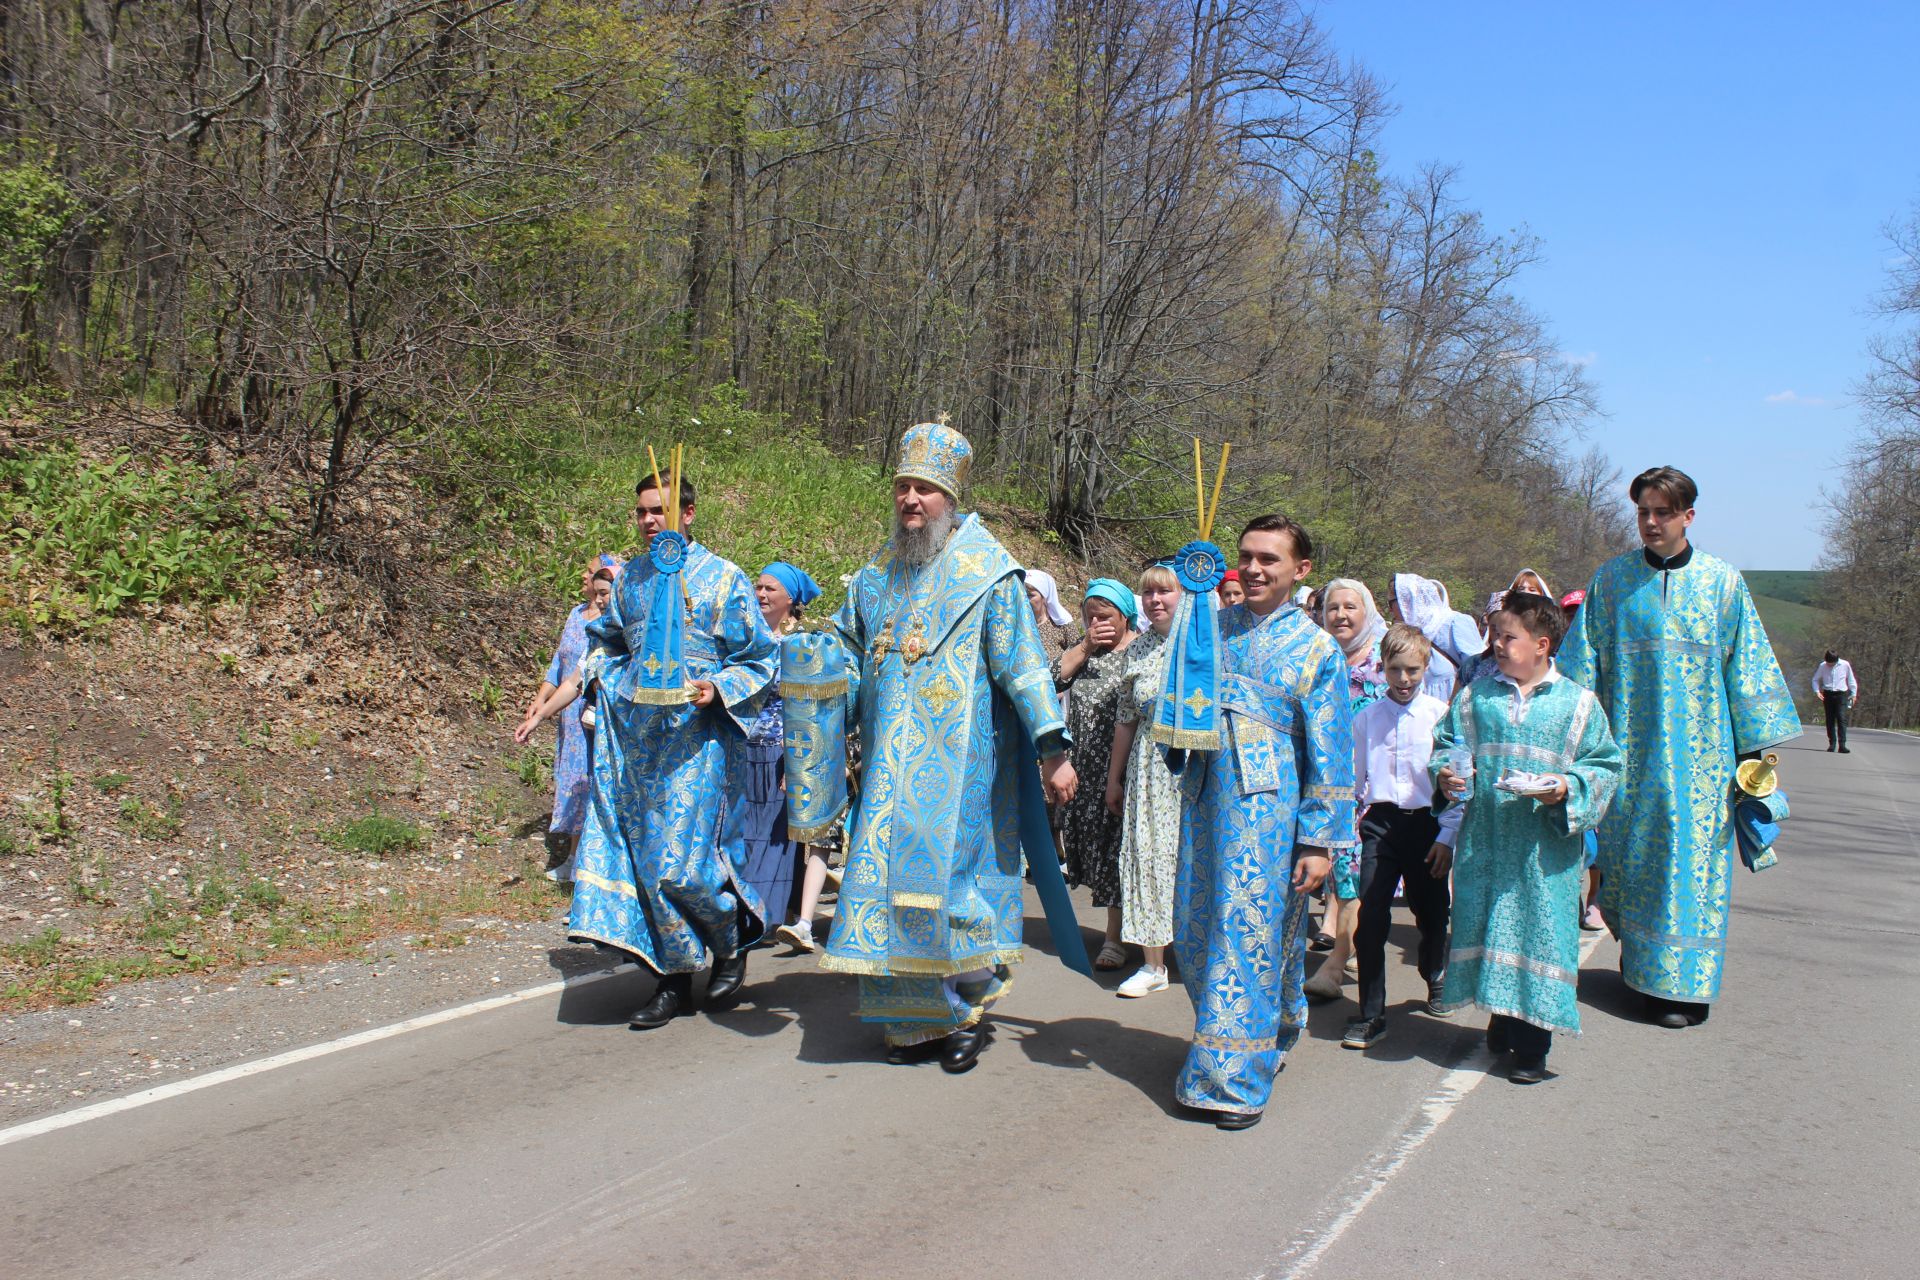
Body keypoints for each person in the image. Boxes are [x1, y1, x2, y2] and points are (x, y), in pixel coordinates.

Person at [812, 421, 1078, 1073]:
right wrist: (812, 681)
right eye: (902, 486)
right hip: (882, 770)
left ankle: (963, 1011)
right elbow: (847, 655)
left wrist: (1053, 747)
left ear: (950, 496)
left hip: (963, 771)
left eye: (924, 489)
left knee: (948, 893)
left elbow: (1022, 666)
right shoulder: (873, 576)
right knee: (885, 890)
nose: (910, 499)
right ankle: (913, 1023)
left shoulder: (988, 573)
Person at [514, 473, 778, 1029]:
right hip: (636, 744)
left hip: (698, 740)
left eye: (659, 510)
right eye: (641, 512)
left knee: (684, 865)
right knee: (648, 863)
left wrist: (718, 688)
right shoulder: (629, 578)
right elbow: (602, 644)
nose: (649, 521)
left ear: (689, 512)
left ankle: (731, 940)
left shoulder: (723, 578)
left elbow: (759, 658)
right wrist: (614, 682)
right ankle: (672, 981)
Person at [1559, 466, 1800, 1030]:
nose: (1650, 521)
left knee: (1695, 871)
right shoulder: (1612, 581)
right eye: (1643, 511)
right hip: (1631, 758)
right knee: (1637, 865)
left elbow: (1748, 667)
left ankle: (1688, 989)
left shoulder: (1722, 582)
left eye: (1662, 512)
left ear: (1687, 516)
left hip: (1704, 762)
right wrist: (1568, 740)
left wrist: (1754, 757)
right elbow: (1581, 669)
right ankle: (1644, 976)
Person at [1174, 514, 1356, 1129]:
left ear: (1300, 571)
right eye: (1246, 556)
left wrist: (1319, 840)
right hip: (1203, 805)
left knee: (1246, 937)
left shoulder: (1316, 650)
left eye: (1269, 560)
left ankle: (1232, 1082)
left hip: (1268, 815)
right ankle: (1269, 1026)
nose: (1253, 568)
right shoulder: (1207, 628)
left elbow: (1330, 753)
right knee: (1197, 936)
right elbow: (1171, 706)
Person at [1433, 592, 1623, 1083]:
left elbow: (1604, 764)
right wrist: (1447, 776)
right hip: (1488, 839)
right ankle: (1500, 1016)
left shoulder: (1577, 703)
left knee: (1538, 935)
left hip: (1545, 850)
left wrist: (1566, 787)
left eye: (1507, 636)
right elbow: (1448, 744)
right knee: (1493, 925)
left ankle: (1533, 1049)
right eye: (1494, 634)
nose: (1496, 643)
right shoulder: (1478, 696)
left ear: (1542, 645)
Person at [1340, 623, 1463, 1049]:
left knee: (1431, 911)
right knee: (1371, 917)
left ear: (1426, 667)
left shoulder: (1439, 717)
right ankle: (1371, 1013)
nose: (1404, 679)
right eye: (1395, 670)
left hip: (1427, 824)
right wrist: (1346, 828)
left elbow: (1456, 780)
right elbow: (1354, 779)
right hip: (1382, 824)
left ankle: (1435, 973)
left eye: (1412, 669)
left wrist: (1447, 835)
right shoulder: (1368, 718)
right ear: (1382, 669)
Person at [1303, 577, 1388, 998]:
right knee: (1334, 870)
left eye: (1351, 607)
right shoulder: (1316, 659)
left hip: (1368, 790)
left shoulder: (1382, 665)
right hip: (1320, 783)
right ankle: (1346, 945)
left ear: (1367, 613)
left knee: (1349, 869)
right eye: (1333, 607)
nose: (1341, 614)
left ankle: (1335, 966)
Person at [1103, 562, 1181, 997]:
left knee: (1190, 860)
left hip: (1198, 765)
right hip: (1150, 768)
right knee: (1148, 857)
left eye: (1164, 593)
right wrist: (1114, 779)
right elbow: (1126, 719)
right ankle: (1154, 965)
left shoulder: (1205, 646)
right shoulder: (1138, 650)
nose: (1155, 601)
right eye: (1148, 593)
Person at [1055, 578, 1138, 969]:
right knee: (1095, 850)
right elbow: (1050, 679)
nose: (1097, 624)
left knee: (1117, 849)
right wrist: (1086, 645)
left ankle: (1114, 937)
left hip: (1122, 769)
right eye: (1090, 617)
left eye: (1105, 617)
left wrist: (1118, 776)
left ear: (1125, 616)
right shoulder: (1086, 652)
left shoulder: (1140, 652)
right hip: (1083, 766)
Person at [737, 560, 820, 949]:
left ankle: (762, 916)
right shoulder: (748, 639)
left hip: (778, 752)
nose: (761, 594)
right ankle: (746, 910)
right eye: (758, 587)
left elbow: (803, 707)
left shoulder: (798, 646)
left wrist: (796, 758)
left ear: (790, 599)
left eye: (770, 589)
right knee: (743, 833)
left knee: (771, 837)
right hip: (742, 749)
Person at [523, 557, 619, 882]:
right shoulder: (596, 637)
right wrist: (540, 714)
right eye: (600, 592)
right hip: (593, 731)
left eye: (606, 592)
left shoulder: (636, 639)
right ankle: (588, 883)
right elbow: (573, 681)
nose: (600, 598)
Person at [1390, 573, 1487, 700]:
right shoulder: (1408, 633)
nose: (1390, 610)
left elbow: (1480, 670)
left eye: (1391, 603)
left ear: (1407, 600)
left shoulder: (1454, 622)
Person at [1023, 568, 1079, 660]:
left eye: (1030, 595)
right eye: (1022, 593)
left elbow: (1078, 653)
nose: (1024, 599)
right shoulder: (1016, 625)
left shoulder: (1061, 623)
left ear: (1044, 597)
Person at [1811, 649, 1858, 753]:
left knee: (1841, 718)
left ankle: (1842, 745)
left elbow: (1851, 679)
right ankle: (1832, 744)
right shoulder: (1823, 666)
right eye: (1828, 663)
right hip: (1828, 694)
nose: (1830, 665)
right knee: (1830, 719)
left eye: (1832, 663)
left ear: (1837, 661)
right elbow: (1815, 679)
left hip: (1841, 694)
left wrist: (1853, 694)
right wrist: (1817, 691)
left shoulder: (1845, 665)